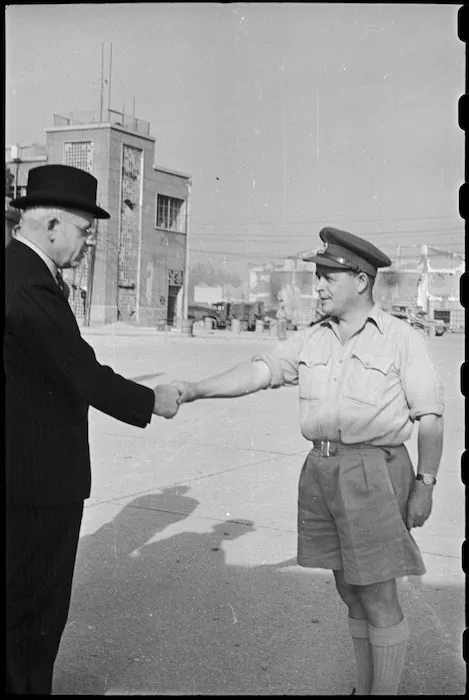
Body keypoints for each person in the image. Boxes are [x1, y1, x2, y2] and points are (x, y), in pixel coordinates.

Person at [172, 227, 444, 696]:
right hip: (322, 469)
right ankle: (365, 687)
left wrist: (426, 483)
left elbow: (431, 418)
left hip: (374, 471)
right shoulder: (312, 339)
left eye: (327, 277)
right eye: (317, 275)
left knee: (377, 593)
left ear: (361, 281)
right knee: (348, 589)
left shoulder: (401, 339)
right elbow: (259, 371)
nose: (317, 286)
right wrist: (196, 389)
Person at [5, 164, 181, 694]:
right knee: (34, 609)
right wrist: (153, 399)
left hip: (23, 474)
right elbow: (80, 371)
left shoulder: (18, 272)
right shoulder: (28, 284)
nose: (86, 245)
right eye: (84, 231)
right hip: (36, 482)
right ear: (52, 224)